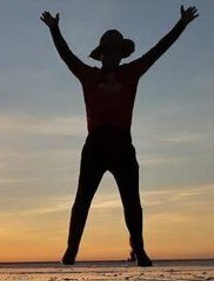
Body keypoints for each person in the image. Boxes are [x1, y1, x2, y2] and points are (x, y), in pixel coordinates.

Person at [41, 7, 199, 267]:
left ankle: (139, 249)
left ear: (121, 55)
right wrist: (55, 30)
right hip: (95, 146)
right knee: (82, 200)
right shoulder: (88, 75)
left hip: (122, 146)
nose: (111, 57)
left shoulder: (131, 73)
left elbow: (157, 51)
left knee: (132, 202)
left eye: (116, 53)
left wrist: (180, 25)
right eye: (107, 53)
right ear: (101, 54)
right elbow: (68, 57)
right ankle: (71, 251)